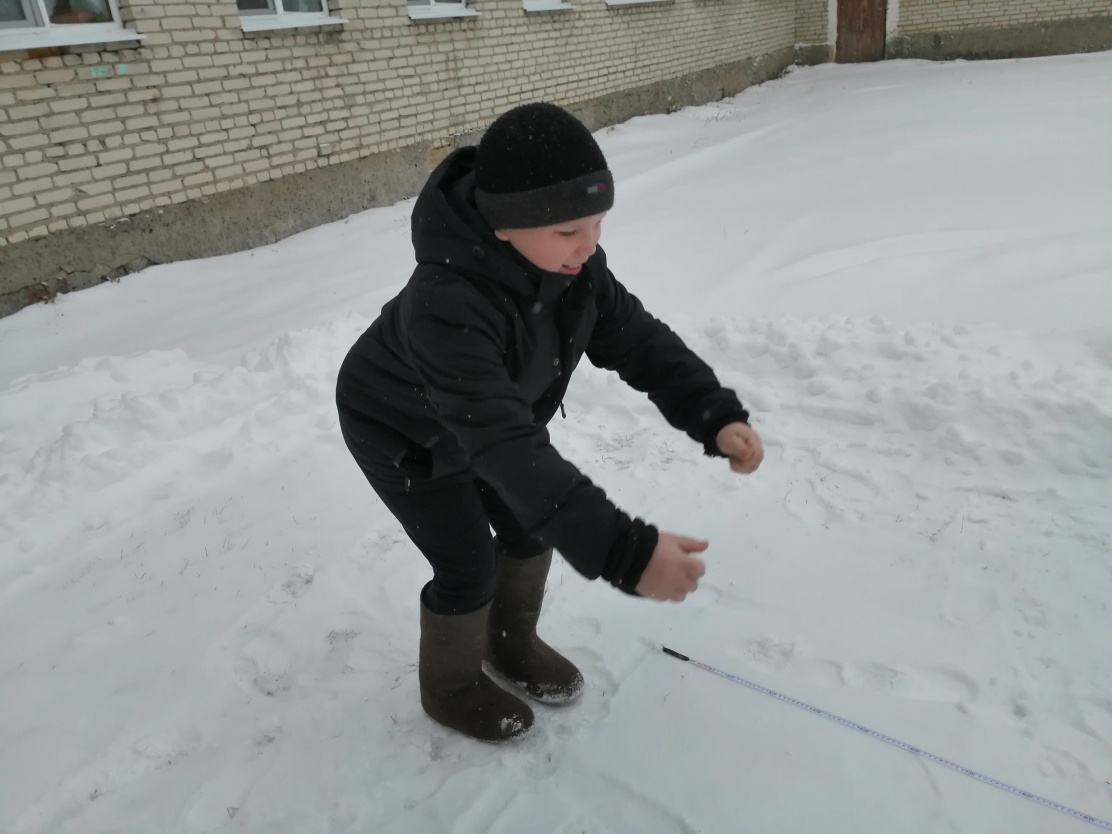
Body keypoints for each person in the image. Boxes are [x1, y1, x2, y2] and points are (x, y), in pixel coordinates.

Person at [336, 102, 764, 743]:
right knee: (469, 567)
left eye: (597, 222)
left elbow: (640, 341)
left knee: (526, 531)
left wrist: (713, 413)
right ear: (506, 226)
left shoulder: (577, 270)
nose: (589, 244)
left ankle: (510, 643)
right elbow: (504, 446)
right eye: (569, 229)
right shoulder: (446, 306)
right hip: (406, 435)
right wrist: (626, 552)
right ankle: (449, 685)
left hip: (486, 420)